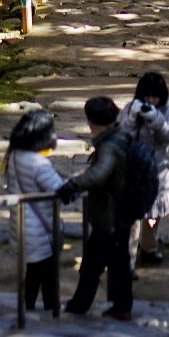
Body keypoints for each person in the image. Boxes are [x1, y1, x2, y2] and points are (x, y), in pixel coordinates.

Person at [59, 96, 138, 319]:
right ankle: (120, 307)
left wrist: (73, 184)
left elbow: (100, 173)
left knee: (94, 264)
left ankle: (83, 305)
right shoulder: (121, 135)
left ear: (91, 122)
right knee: (117, 262)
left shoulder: (110, 145)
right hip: (121, 212)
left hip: (110, 215)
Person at [4, 107, 66, 313]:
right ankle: (50, 311)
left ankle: (28, 307)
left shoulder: (13, 155)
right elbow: (60, 190)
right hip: (39, 227)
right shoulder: (39, 163)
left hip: (20, 221)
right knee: (47, 275)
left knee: (33, 271)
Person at [120, 70, 169, 263]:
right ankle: (129, 258)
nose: (151, 100)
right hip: (135, 168)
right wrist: (132, 118)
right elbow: (122, 136)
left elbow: (168, 135)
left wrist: (155, 118)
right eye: (147, 96)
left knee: (155, 213)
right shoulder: (131, 108)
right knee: (134, 215)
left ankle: (148, 248)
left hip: (158, 168)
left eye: (155, 96)